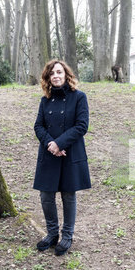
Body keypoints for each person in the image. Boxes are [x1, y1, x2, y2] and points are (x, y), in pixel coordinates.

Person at [33, 59, 91, 256]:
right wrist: (51, 144)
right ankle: (51, 234)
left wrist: (60, 143)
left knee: (68, 194)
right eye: (52, 73)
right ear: (48, 78)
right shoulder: (44, 100)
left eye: (59, 72)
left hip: (70, 153)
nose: (56, 76)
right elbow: (38, 126)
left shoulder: (79, 97)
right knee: (46, 195)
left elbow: (82, 126)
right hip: (49, 154)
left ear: (66, 74)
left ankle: (67, 235)